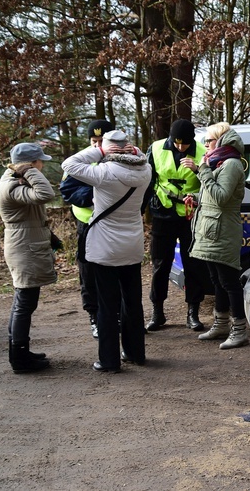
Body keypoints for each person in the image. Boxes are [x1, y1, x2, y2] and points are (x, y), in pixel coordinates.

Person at [61, 130, 152, 372]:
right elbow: (142, 158)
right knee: (133, 302)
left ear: (108, 149)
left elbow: (69, 164)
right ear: (130, 148)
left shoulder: (102, 173)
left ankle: (109, 360)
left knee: (107, 306)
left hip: (104, 248)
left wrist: (98, 151)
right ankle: (136, 353)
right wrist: (136, 152)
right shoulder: (145, 172)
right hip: (132, 245)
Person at [186, 126, 249, 349]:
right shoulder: (218, 163)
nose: (205, 145)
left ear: (221, 141)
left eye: (208, 140)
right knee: (217, 281)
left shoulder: (231, 164)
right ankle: (221, 324)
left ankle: (239, 330)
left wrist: (201, 170)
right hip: (212, 231)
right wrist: (194, 197)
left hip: (224, 232)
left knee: (230, 282)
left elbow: (222, 197)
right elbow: (211, 194)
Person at [0, 143, 57, 373]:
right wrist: (29, 170)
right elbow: (45, 194)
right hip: (24, 249)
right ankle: (20, 359)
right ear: (30, 164)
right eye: (39, 162)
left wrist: (26, 168)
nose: (42, 165)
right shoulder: (13, 185)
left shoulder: (13, 179)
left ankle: (20, 351)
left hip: (25, 245)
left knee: (23, 302)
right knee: (24, 304)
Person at [145, 119, 209, 332]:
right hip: (163, 214)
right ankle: (157, 312)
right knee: (160, 264)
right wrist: (140, 209)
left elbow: (212, 183)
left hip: (190, 216)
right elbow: (148, 180)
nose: (180, 147)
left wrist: (199, 169)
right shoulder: (155, 148)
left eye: (185, 144)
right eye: (177, 143)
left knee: (194, 265)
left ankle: (193, 313)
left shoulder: (203, 151)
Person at [59, 119, 115, 340]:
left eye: (102, 141)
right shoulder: (80, 160)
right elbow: (67, 191)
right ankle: (94, 316)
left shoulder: (125, 158)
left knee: (115, 271)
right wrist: (95, 195)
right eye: (94, 141)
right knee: (88, 272)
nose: (97, 146)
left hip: (113, 224)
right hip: (87, 224)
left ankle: (116, 314)